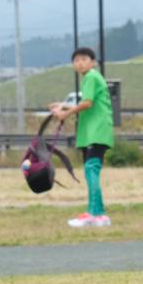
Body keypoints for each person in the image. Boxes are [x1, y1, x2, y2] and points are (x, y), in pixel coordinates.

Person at [50, 47, 113, 228]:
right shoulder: (90, 78)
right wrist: (64, 105)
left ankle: (94, 213)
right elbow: (87, 100)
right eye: (76, 60)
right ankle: (99, 214)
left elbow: (87, 103)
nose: (80, 62)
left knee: (91, 170)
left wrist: (65, 113)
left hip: (96, 131)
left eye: (84, 59)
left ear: (93, 62)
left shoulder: (91, 76)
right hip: (93, 132)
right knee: (90, 171)